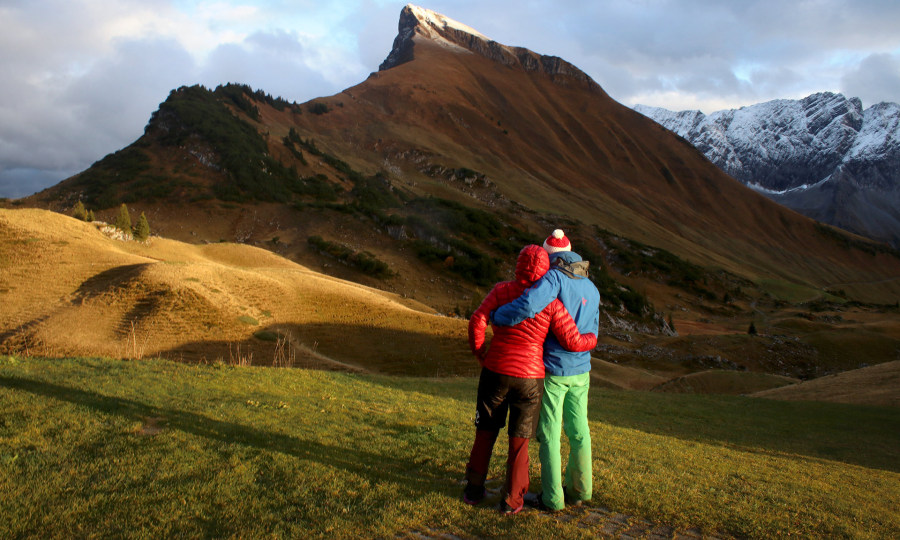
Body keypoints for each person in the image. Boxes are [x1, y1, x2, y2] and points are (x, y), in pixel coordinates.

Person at [464, 244, 597, 515]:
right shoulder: (552, 302)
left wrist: (481, 353)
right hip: (530, 377)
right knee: (520, 439)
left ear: (518, 264)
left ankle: (474, 490)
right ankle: (512, 500)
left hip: (495, 370)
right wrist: (592, 339)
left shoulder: (501, 291)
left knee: (485, 433)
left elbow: (478, 319)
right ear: (545, 268)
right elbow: (572, 339)